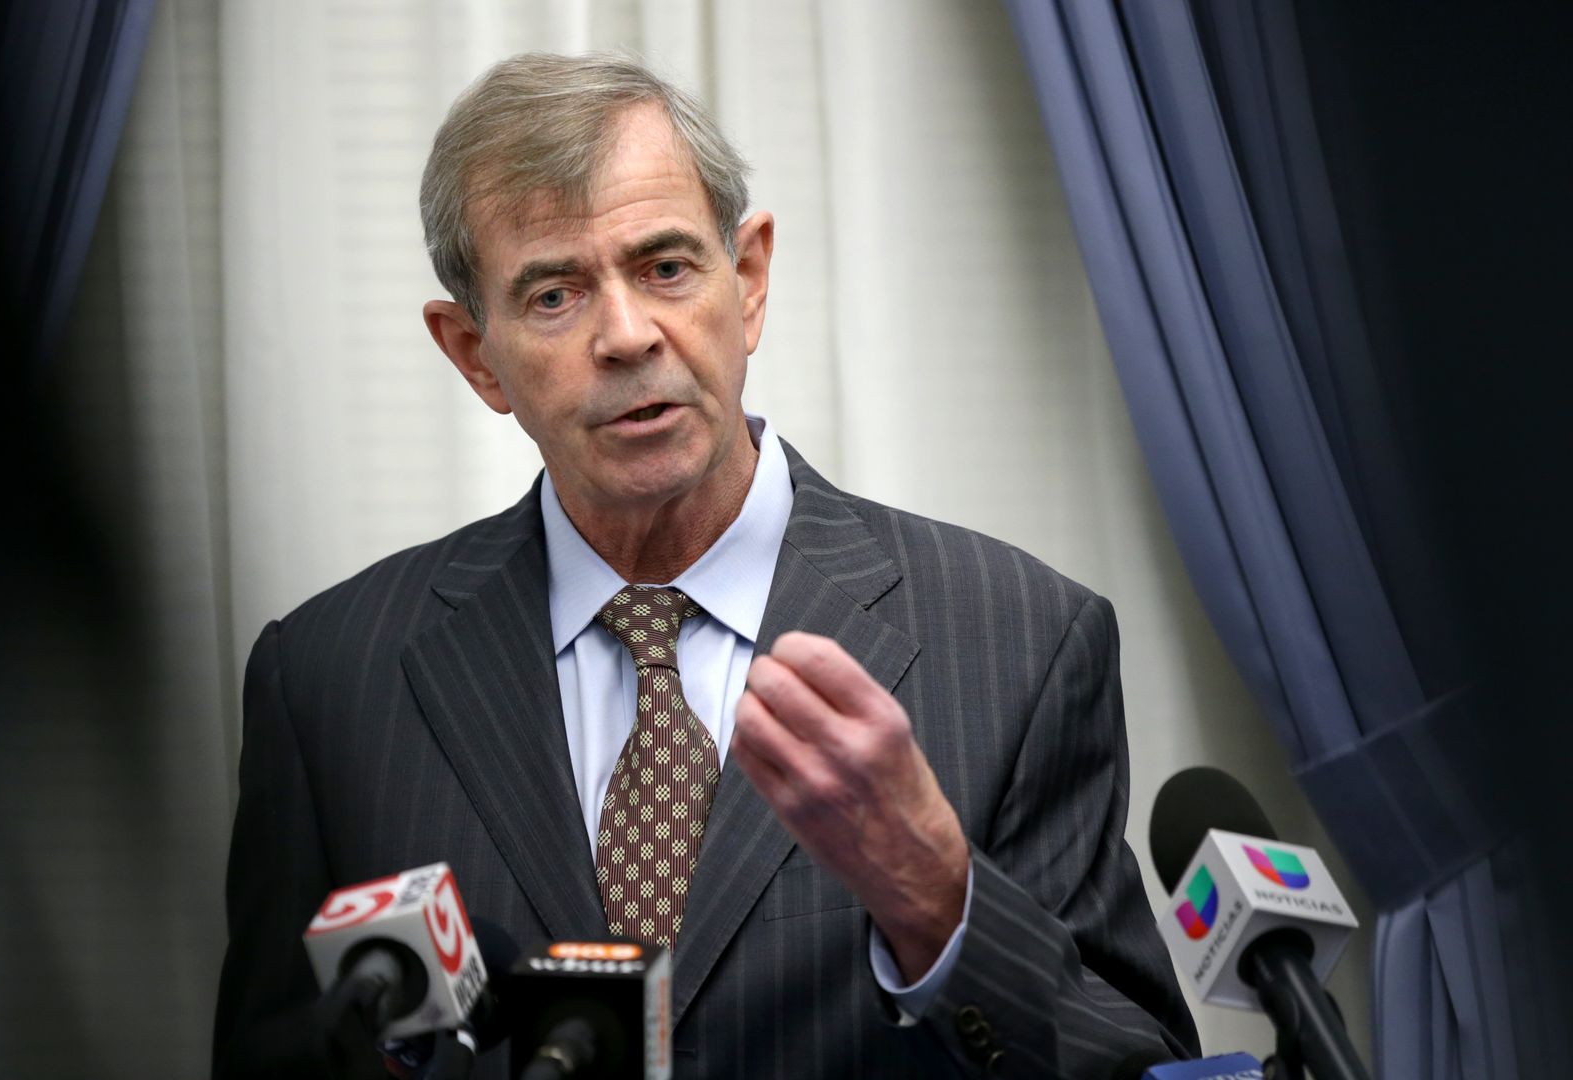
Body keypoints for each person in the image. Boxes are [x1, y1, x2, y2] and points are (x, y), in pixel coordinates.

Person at [214, 52, 1197, 1078]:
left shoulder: (1019, 643)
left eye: (667, 267)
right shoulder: (329, 680)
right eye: (555, 295)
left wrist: (939, 901)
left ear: (752, 279)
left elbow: (1136, 1064)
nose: (629, 335)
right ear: (474, 354)